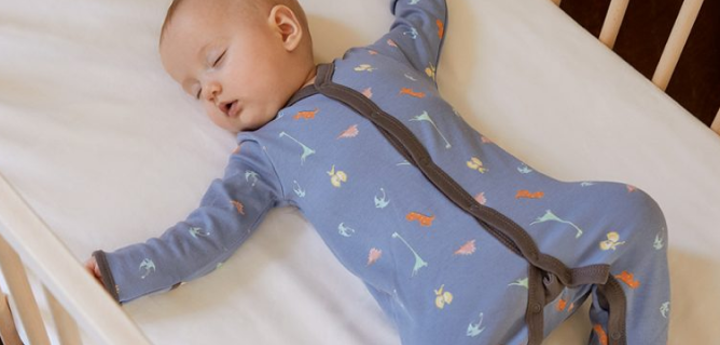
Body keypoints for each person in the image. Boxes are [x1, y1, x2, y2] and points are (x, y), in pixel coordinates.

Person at [85, 0, 670, 343]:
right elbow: (202, 236)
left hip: (552, 231)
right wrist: (118, 274)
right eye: (194, 91)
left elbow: (424, 11)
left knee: (637, 213)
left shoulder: (386, 58)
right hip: (455, 312)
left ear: (284, 29)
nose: (208, 90)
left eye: (214, 62)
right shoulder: (263, 158)